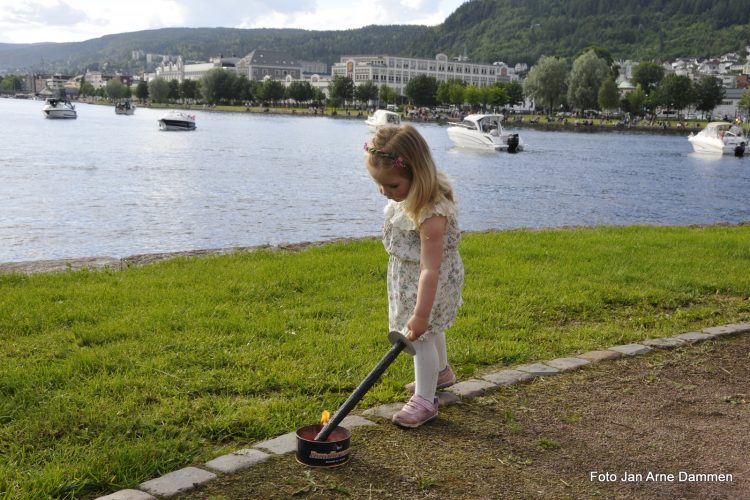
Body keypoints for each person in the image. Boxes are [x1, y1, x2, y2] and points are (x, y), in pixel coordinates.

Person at [364, 125, 464, 428]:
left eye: (392, 185)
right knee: (431, 332)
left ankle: (425, 400)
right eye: (379, 185)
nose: (385, 192)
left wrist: (420, 315)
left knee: (422, 335)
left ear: (416, 174)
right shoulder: (409, 198)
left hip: (429, 281)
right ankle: (442, 372)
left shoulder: (432, 213)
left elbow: (430, 269)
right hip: (409, 279)